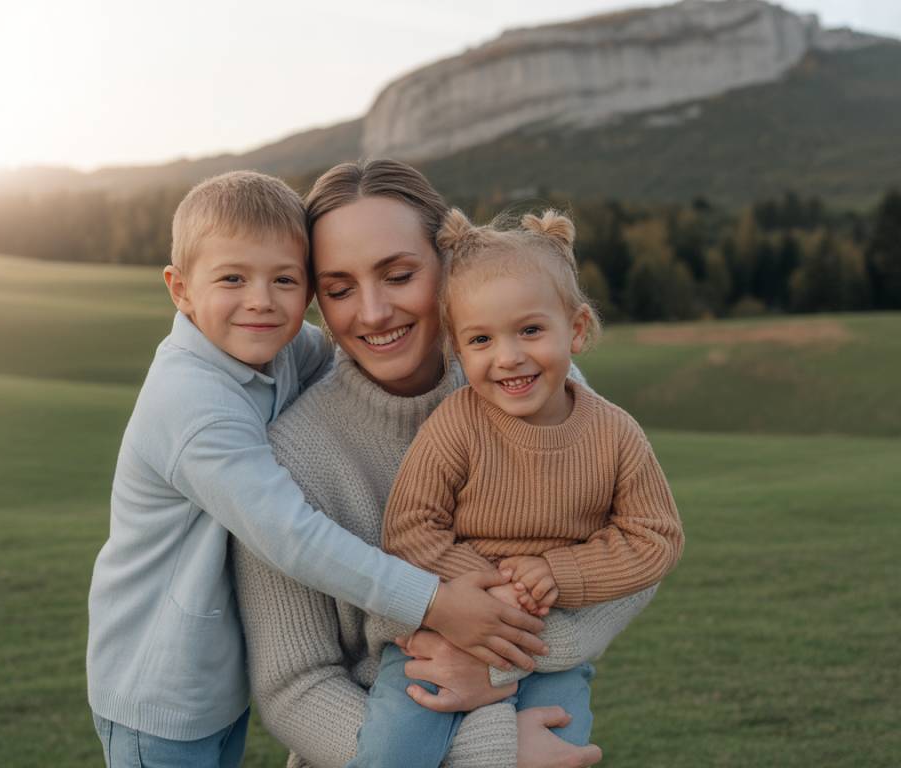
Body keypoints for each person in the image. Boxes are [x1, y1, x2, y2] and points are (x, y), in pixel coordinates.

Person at [86, 171, 547, 768]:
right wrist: (435, 603)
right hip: (159, 688)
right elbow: (293, 537)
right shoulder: (192, 405)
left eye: (284, 280)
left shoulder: (284, 349)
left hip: (215, 682)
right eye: (232, 279)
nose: (261, 300)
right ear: (180, 289)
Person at [235, 160, 659, 768]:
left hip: (539, 712)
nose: (373, 312)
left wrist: (504, 656)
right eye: (340, 289)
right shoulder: (290, 454)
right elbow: (294, 685)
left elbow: (634, 555)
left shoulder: (535, 385)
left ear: (450, 265)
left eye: (399, 275)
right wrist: (491, 750)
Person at [351, 208, 685, 768]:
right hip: (447, 632)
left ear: (576, 329)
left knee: (559, 752)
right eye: (481, 339)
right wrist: (488, 588)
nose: (508, 357)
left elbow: (655, 536)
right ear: (457, 349)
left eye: (530, 330)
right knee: (394, 753)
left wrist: (557, 573)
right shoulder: (458, 424)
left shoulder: (615, 434)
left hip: (548, 647)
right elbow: (410, 528)